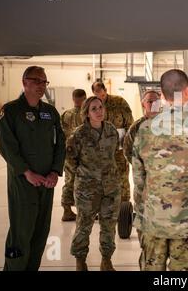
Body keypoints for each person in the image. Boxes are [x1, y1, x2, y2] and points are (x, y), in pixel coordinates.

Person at [132, 69, 188, 271]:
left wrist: (145, 206)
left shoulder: (145, 129)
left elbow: (138, 178)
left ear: (162, 96)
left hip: (154, 220)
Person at [0, 66, 65, 271]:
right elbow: (7, 147)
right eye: (37, 81)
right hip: (22, 181)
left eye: (44, 82)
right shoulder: (9, 111)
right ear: (24, 82)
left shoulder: (50, 112)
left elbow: (60, 143)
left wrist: (55, 172)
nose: (41, 86)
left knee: (40, 231)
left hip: (46, 182)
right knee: (21, 231)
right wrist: (27, 172)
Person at [66, 96, 121, 271]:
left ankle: (106, 259)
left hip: (110, 188)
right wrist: (85, 177)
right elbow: (70, 162)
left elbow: (116, 155)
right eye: (94, 109)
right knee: (84, 225)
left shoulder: (111, 130)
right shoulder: (79, 134)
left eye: (100, 107)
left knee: (109, 225)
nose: (99, 111)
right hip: (87, 189)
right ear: (87, 113)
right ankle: (80, 259)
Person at [92, 81, 134, 203]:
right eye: (97, 94)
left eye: (102, 94)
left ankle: (124, 206)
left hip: (119, 147)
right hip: (101, 149)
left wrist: (128, 141)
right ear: (94, 93)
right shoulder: (93, 105)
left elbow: (129, 122)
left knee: (122, 177)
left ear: (105, 90)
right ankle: (103, 206)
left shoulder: (119, 102)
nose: (101, 97)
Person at [60, 89, 87, 221]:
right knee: (84, 181)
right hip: (83, 153)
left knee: (69, 181)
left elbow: (60, 134)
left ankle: (67, 210)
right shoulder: (86, 114)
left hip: (68, 153)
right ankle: (83, 210)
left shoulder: (66, 114)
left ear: (73, 99)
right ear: (84, 98)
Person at [123, 90, 160, 165]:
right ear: (143, 104)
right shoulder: (136, 127)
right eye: (150, 102)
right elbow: (127, 150)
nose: (154, 104)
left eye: (157, 102)